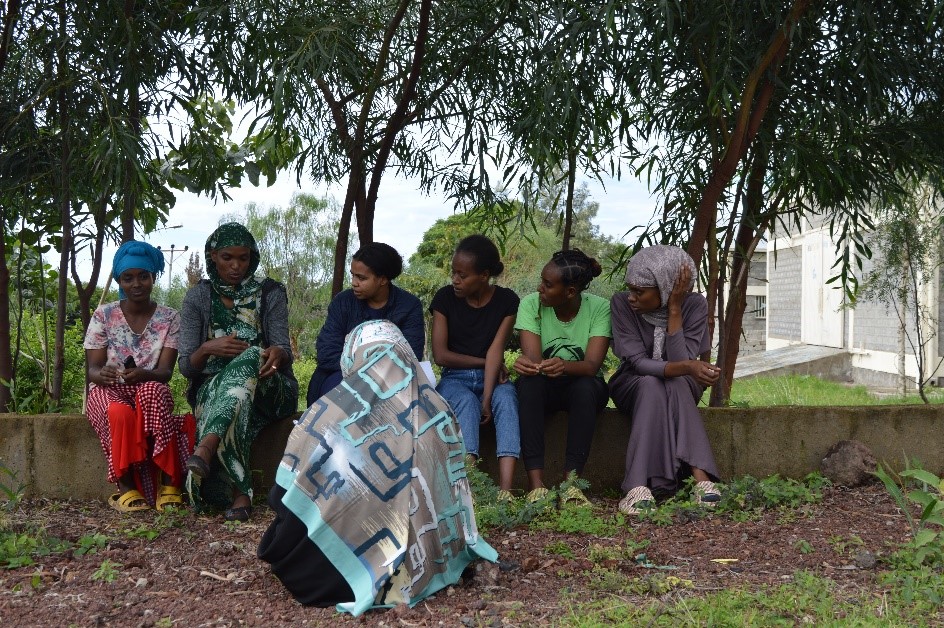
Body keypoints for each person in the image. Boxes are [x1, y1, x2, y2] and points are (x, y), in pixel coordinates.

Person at [258, 320, 497, 616]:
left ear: (354, 357)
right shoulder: (439, 411)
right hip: (423, 564)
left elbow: (285, 494)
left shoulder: (329, 412)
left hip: (319, 575)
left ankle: (360, 567)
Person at [178, 223, 298, 522]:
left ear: (252, 258)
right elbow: (185, 367)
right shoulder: (197, 298)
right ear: (212, 256)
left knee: (252, 355)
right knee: (233, 397)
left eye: (243, 258)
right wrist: (208, 348)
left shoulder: (270, 292)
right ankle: (241, 493)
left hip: (270, 389)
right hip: (214, 389)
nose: (235, 266)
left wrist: (278, 354)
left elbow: (283, 347)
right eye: (227, 258)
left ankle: (207, 446)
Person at [608, 245, 721, 515]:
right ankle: (639, 486)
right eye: (631, 289)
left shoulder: (694, 305)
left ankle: (695, 482)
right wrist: (687, 366)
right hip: (632, 384)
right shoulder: (621, 304)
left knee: (674, 382)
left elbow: (682, 362)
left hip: (680, 386)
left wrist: (674, 310)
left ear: (667, 286)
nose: (632, 297)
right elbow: (638, 363)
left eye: (640, 292)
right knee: (651, 382)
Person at [84, 240, 192, 512]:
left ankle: (169, 483)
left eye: (143, 276)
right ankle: (126, 486)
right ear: (120, 280)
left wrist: (144, 374)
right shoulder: (104, 315)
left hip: (147, 385)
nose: (136, 284)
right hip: (109, 391)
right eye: (128, 278)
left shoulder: (169, 317)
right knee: (120, 413)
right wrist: (104, 374)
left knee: (154, 392)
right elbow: (92, 370)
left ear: (153, 277)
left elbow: (165, 373)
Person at [513, 249, 611, 504]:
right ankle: (536, 486)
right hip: (545, 383)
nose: (540, 288)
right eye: (542, 281)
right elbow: (535, 361)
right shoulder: (530, 304)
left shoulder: (599, 308)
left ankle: (571, 485)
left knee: (585, 387)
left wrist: (564, 366)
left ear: (570, 292)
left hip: (584, 385)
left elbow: (591, 365)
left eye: (548, 284)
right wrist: (526, 365)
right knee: (529, 383)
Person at [430, 235, 520, 498]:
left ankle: (506, 490)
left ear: (484, 275)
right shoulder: (444, 299)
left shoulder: (506, 301)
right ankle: (468, 490)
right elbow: (441, 355)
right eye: (453, 273)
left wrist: (489, 396)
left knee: (507, 399)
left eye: (463, 275)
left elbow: (496, 350)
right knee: (467, 403)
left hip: (492, 376)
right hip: (454, 378)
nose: (455, 280)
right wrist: (485, 363)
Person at [306, 242, 424, 405]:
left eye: (361, 278)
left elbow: (410, 356)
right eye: (353, 275)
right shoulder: (343, 302)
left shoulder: (409, 306)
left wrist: (372, 376)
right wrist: (361, 374)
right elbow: (327, 351)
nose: (354, 282)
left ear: (383, 280)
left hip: (391, 383)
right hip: (340, 375)